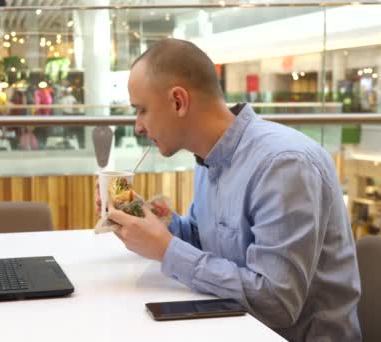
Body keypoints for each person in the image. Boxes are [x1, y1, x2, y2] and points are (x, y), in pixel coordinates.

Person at [106, 39, 361, 341]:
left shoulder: (284, 164)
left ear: (178, 101)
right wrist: (160, 224)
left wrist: (166, 249)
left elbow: (276, 303)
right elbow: (209, 242)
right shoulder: (208, 159)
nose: (138, 126)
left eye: (142, 110)